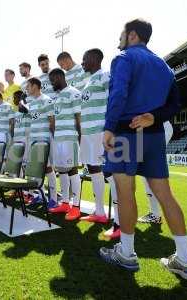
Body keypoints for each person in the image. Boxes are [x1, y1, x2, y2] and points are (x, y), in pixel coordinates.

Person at [100, 19, 187, 282]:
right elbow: (174, 105)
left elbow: (118, 94)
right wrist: (153, 118)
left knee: (125, 191)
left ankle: (127, 253)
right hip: (153, 135)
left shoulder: (123, 58)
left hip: (125, 133)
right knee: (165, 195)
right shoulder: (164, 66)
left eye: (122, 33)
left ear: (132, 35)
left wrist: (109, 127)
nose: (120, 38)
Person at [73, 48, 111, 224]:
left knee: (109, 173)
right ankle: (100, 212)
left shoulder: (105, 75)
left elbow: (114, 100)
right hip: (88, 134)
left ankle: (119, 219)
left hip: (99, 131)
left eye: (84, 59)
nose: (82, 63)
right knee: (94, 170)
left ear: (95, 59)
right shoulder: (89, 81)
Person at [47, 69, 82, 216]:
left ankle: (76, 207)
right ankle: (65, 203)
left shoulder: (73, 92)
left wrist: (81, 140)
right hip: (58, 139)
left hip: (70, 138)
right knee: (61, 170)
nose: (51, 83)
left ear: (60, 77)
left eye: (53, 80)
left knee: (73, 170)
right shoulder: (56, 96)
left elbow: (79, 118)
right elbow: (54, 120)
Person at [20, 77, 58, 210]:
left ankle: (53, 199)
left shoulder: (46, 100)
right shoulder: (32, 103)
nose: (27, 89)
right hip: (34, 141)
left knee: (47, 169)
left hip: (44, 140)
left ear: (35, 86)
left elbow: (52, 121)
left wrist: (52, 140)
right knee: (37, 170)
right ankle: (40, 196)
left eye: (28, 86)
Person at [138, 121, 173, 224]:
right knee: (147, 175)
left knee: (149, 175)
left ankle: (156, 215)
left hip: (158, 130)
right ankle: (155, 214)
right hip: (153, 131)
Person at [12, 90, 31, 164]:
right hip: (17, 140)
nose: (14, 100)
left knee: (25, 163)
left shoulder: (27, 109)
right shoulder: (16, 113)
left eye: (15, 98)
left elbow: (26, 109)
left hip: (25, 140)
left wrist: (23, 102)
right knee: (17, 163)